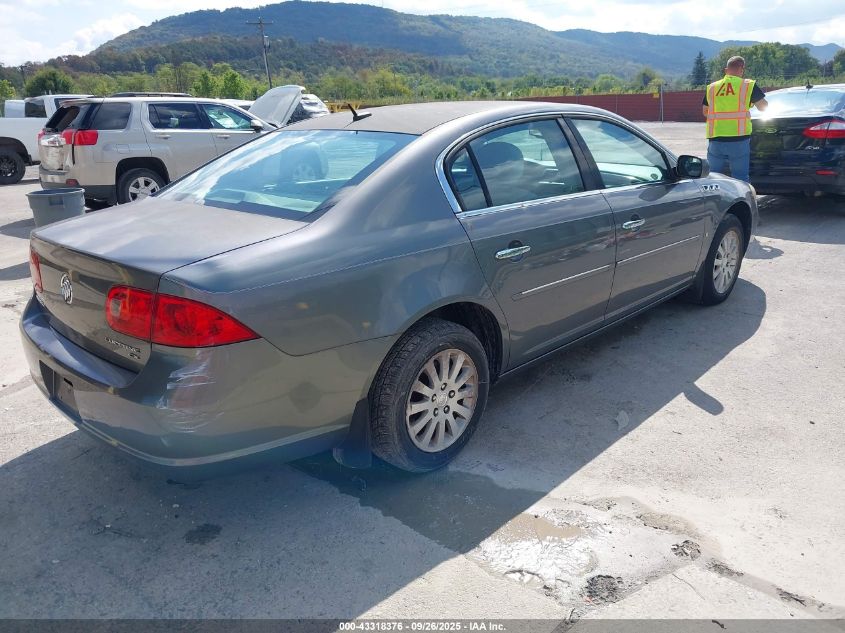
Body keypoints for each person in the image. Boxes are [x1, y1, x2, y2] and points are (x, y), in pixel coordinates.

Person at [702, 55, 767, 183]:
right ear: (742, 69)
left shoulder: (712, 87)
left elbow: (705, 112)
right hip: (739, 139)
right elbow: (763, 107)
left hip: (716, 138)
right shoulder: (747, 85)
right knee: (740, 178)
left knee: (713, 177)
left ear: (726, 70)